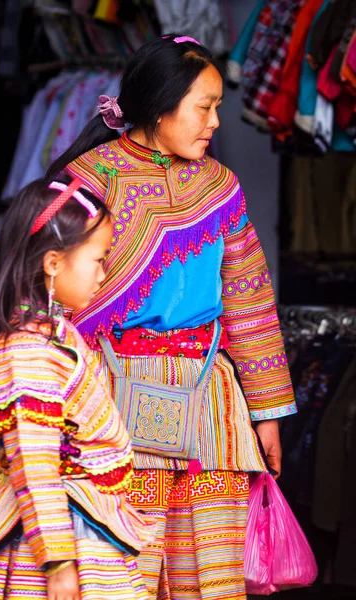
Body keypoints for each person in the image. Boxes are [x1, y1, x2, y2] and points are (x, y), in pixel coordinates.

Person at [47, 35, 297, 600]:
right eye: (203, 107)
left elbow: (251, 300)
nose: (214, 122)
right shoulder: (91, 179)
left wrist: (268, 413)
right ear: (160, 105)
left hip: (211, 403)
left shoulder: (220, 187)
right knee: (121, 576)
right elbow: (52, 291)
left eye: (217, 108)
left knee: (211, 579)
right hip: (112, 401)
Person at [0, 177, 157, 600]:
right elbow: (34, 464)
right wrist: (59, 562)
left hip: (83, 528)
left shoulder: (54, 335)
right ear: (53, 263)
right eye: (98, 259)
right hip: (64, 544)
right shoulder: (27, 350)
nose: (104, 274)